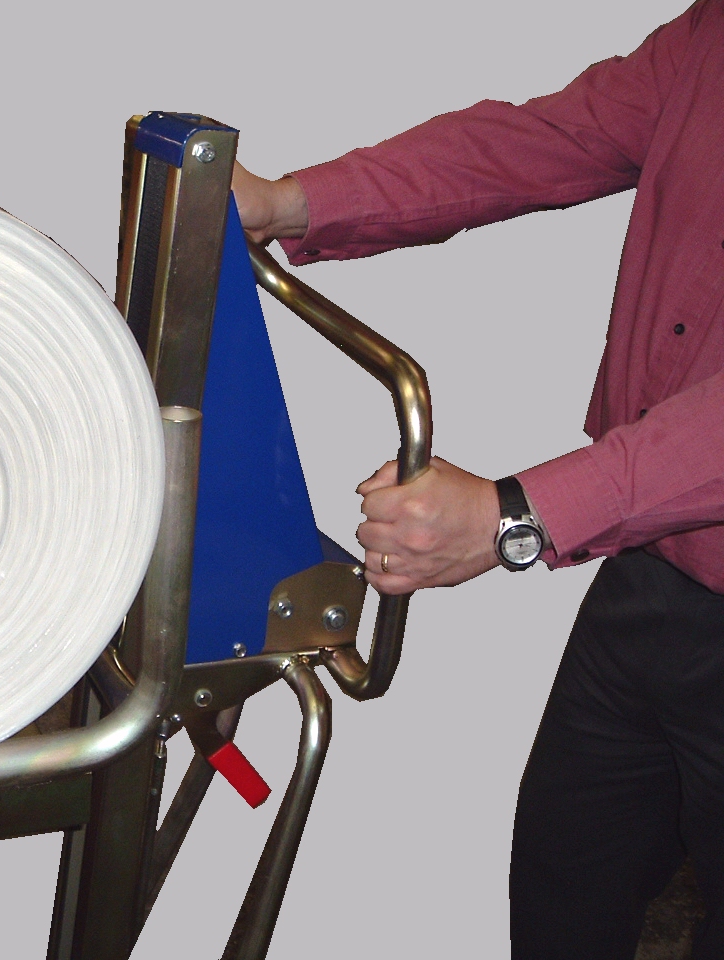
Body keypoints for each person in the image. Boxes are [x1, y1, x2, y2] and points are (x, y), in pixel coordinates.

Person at [231, 2, 724, 957]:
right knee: (564, 886)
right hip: (655, 575)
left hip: (648, 535)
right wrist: (294, 203)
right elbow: (546, 140)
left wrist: (514, 516)